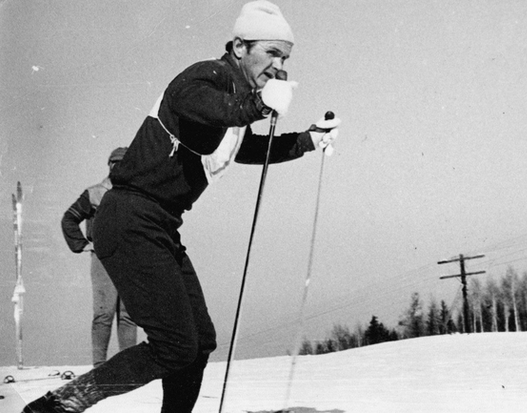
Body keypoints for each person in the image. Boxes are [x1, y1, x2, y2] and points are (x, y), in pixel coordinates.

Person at [23, 1, 340, 412]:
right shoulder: (208, 76)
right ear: (240, 47)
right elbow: (202, 107)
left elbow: (250, 146)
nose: (279, 66)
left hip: (160, 226)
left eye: (286, 58)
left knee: (198, 342)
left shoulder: (236, 103)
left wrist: (309, 139)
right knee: (173, 345)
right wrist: (259, 107)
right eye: (272, 53)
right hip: (130, 217)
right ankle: (56, 405)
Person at [61, 147, 137, 367]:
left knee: (129, 315)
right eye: (114, 162)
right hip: (103, 259)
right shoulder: (95, 192)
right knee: (103, 314)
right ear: (109, 165)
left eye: (123, 163)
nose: (118, 167)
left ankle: (129, 369)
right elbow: (69, 219)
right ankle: (98, 368)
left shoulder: (137, 194)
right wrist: (84, 245)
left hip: (131, 258)